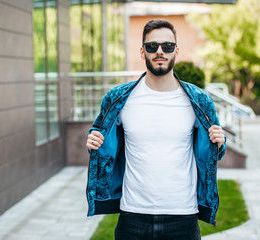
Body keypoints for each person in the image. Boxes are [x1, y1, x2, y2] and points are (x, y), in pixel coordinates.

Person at [86, 19, 226, 240]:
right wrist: (92, 141)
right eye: (152, 46)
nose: (159, 52)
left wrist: (220, 142)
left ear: (176, 51)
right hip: (133, 216)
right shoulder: (118, 99)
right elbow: (98, 137)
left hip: (183, 217)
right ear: (142, 52)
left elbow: (215, 152)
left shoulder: (199, 101)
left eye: (167, 46)